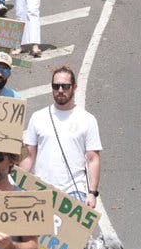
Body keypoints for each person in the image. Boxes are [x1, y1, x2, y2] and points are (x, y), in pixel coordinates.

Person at [20, 66, 101, 207]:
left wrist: (92, 193)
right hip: (42, 191)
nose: (60, 90)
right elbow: (29, 156)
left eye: (65, 86)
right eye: (56, 86)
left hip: (75, 192)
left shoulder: (87, 119)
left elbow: (93, 159)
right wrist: (17, 183)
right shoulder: (38, 117)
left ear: (74, 87)